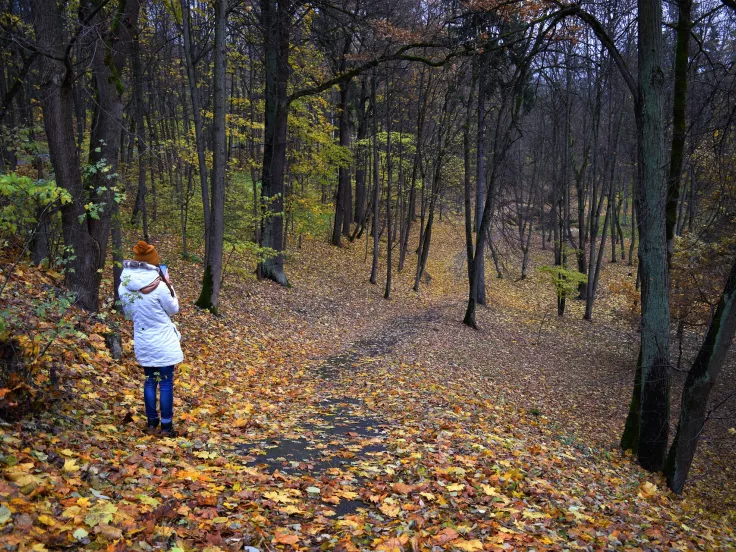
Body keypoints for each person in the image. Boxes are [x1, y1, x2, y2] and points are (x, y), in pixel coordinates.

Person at [118, 240, 183, 436]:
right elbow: (174, 309)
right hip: (162, 342)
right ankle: (167, 426)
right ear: (153, 264)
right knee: (164, 383)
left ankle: (152, 423)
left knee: (150, 380)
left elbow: (129, 314)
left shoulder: (124, 286)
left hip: (143, 341)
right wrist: (170, 286)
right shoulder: (160, 286)